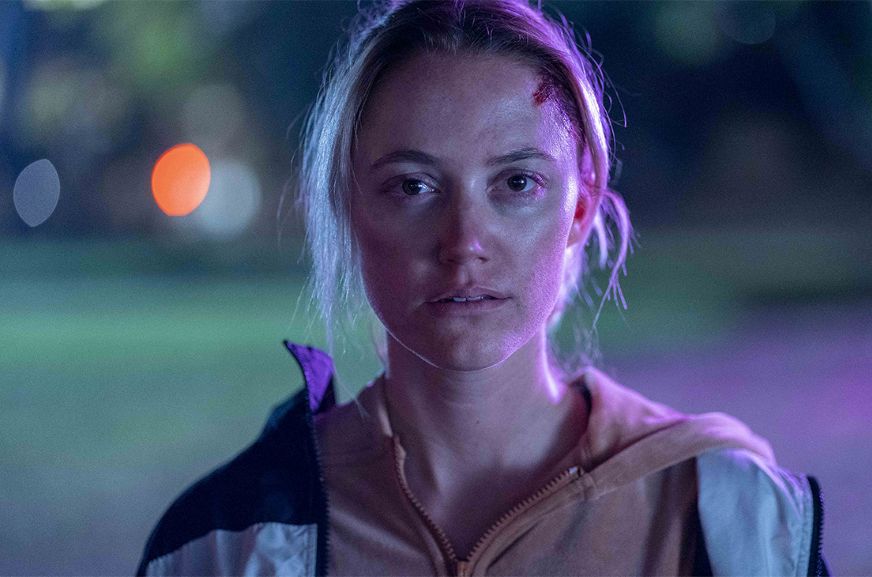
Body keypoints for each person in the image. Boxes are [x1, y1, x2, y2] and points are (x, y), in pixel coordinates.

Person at [137, 1, 830, 575]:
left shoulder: (724, 520)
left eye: (517, 183)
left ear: (579, 207)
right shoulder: (229, 539)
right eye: (414, 186)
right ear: (348, 207)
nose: (464, 240)